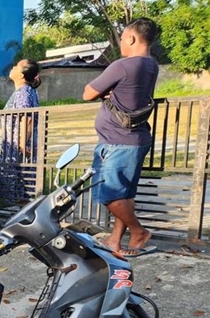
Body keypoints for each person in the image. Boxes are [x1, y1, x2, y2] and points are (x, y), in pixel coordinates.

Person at [83, 18, 159, 257]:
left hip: (118, 141)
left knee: (108, 195)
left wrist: (105, 92)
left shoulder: (123, 65)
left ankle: (138, 232)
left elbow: (87, 93)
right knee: (125, 194)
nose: (121, 43)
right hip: (135, 138)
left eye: (123, 38)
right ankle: (114, 240)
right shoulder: (151, 64)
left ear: (132, 38)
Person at [0, 59, 41, 202]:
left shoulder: (23, 92)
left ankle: (22, 217)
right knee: (21, 183)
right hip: (16, 146)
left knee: (21, 182)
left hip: (18, 148)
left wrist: (21, 144)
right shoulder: (27, 91)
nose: (13, 67)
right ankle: (21, 215)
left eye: (16, 66)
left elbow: (27, 119)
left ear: (21, 75)